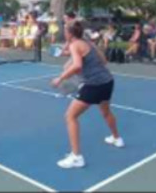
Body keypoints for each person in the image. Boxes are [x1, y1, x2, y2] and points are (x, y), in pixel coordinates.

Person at [52, 21, 124, 169]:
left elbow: (77, 65)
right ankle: (117, 139)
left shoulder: (75, 45)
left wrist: (60, 78)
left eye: (65, 30)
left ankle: (77, 157)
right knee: (106, 112)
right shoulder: (88, 43)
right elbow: (103, 61)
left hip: (94, 85)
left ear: (70, 33)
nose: (64, 32)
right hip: (107, 81)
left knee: (70, 117)